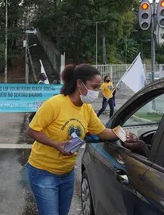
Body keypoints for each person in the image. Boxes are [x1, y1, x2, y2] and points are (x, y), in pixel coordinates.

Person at [26, 64, 118, 215]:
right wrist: (56, 144)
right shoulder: (55, 103)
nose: (95, 92)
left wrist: (123, 135)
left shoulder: (86, 109)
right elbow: (32, 130)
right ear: (79, 83)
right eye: (93, 87)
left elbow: (102, 132)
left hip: (67, 173)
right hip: (43, 172)